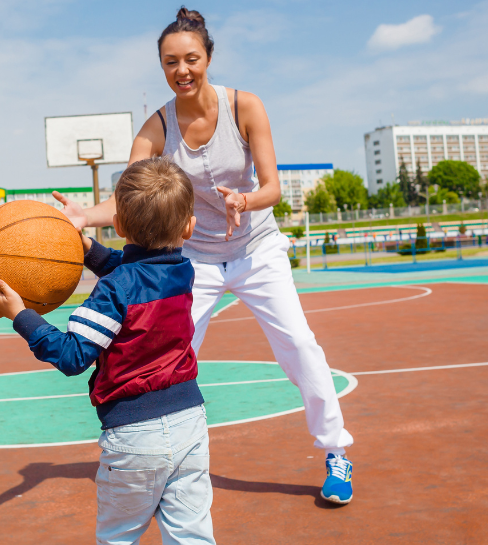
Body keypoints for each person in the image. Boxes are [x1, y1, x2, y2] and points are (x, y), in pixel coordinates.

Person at [58, 6, 354, 504]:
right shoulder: (156, 129)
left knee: (300, 346)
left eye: (191, 59)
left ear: (209, 57)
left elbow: (273, 187)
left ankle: (336, 452)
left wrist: (245, 199)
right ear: (162, 67)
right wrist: (85, 216)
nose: (182, 71)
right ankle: (158, 453)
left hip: (256, 248)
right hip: (193, 259)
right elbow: (130, 200)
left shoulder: (245, 107)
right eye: (170, 63)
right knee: (169, 353)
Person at [0, 158, 224, 545]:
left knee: (120, 544)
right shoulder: (183, 271)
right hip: (190, 424)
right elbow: (131, 264)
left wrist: (20, 315)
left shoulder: (115, 290)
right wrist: (84, 245)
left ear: (117, 221)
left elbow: (73, 355)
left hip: (133, 435)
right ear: (188, 228)